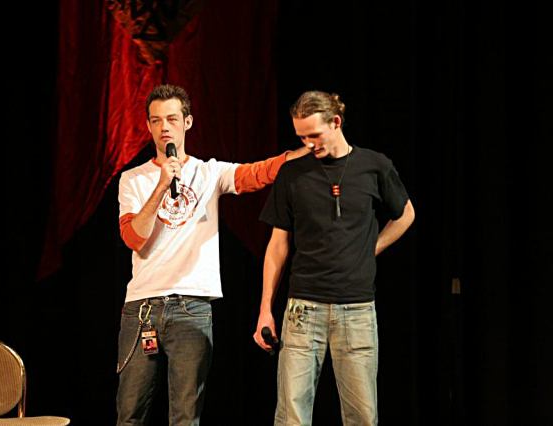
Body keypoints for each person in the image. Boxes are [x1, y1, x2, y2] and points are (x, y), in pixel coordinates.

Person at [116, 84, 308, 426]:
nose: (164, 128)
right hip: (142, 308)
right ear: (147, 125)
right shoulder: (133, 179)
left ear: (187, 122)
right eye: (156, 120)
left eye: (172, 119)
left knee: (186, 416)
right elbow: (135, 238)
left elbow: (259, 173)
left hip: (191, 307)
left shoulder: (210, 172)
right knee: (130, 413)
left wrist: (306, 151)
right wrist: (161, 185)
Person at [253, 90, 415, 425]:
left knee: (362, 416)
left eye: (314, 135)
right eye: (301, 137)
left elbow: (406, 214)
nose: (308, 144)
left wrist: (369, 249)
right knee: (292, 416)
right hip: (303, 309)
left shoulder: (374, 166)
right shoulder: (292, 173)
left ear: (336, 122)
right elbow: (278, 244)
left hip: (356, 310)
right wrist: (265, 309)